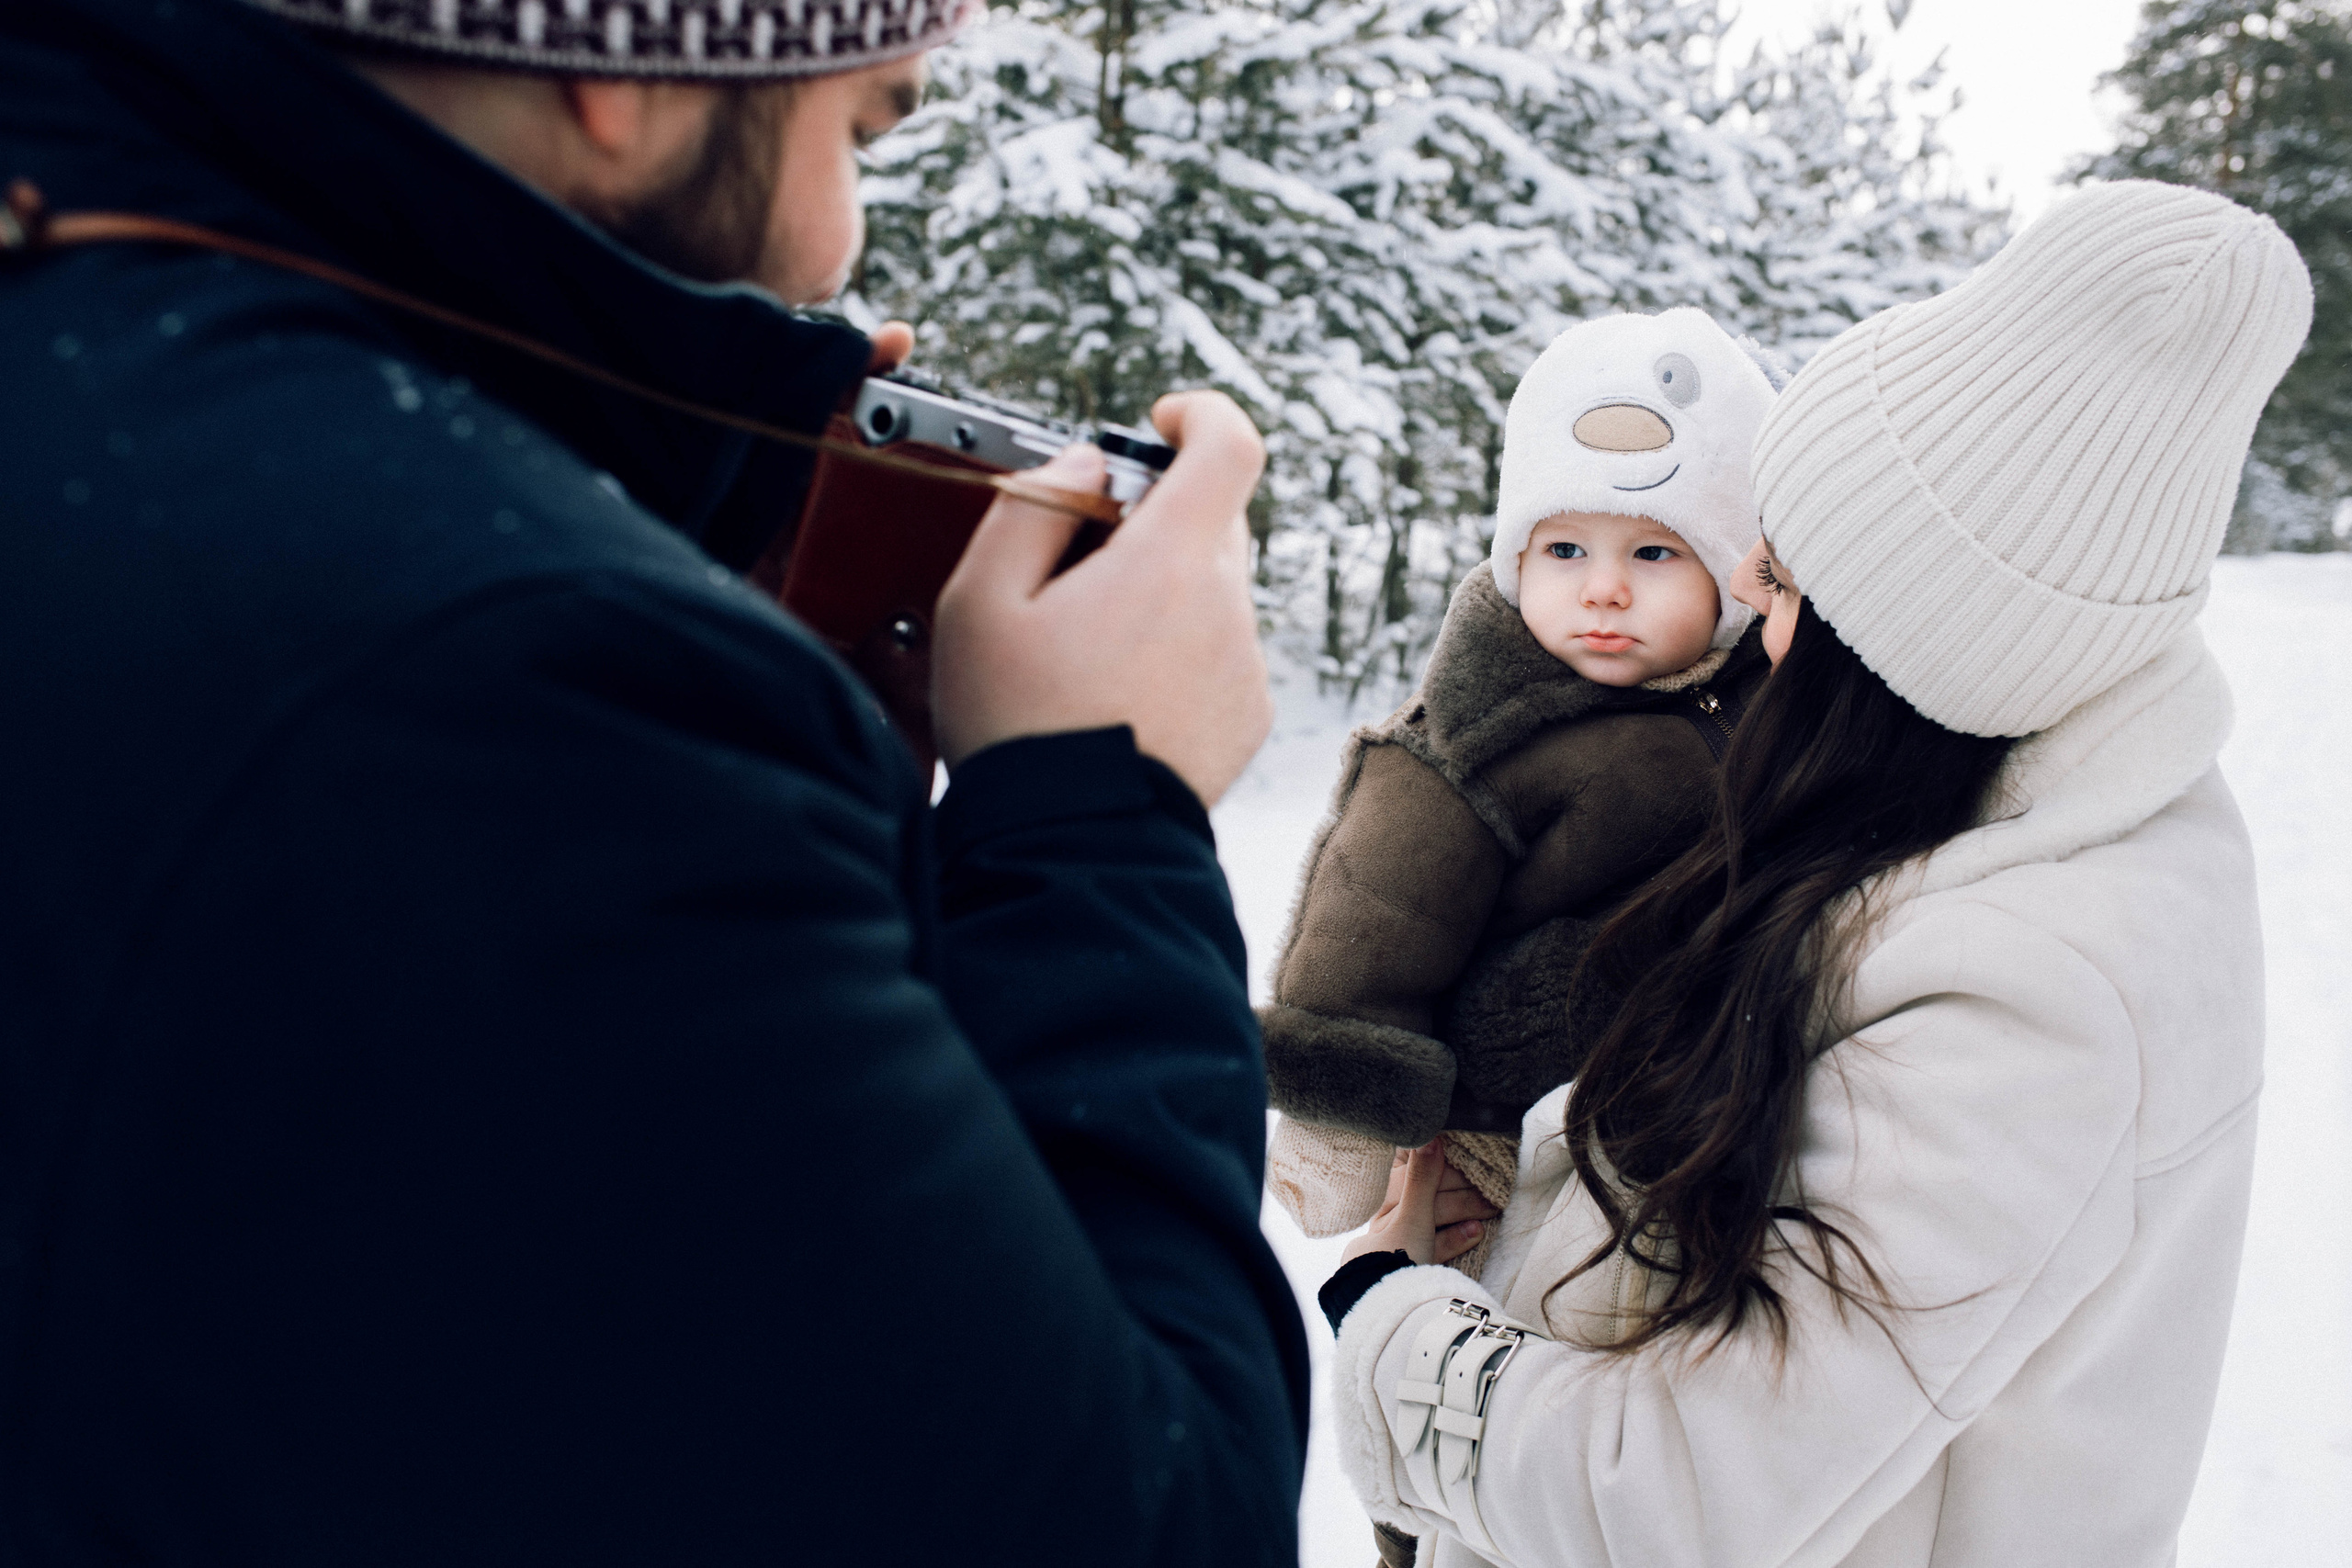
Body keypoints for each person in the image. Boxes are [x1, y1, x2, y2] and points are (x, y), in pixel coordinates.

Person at [0, 0, 1307, 1562]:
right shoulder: (522, 692)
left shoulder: (81, 324)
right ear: (621, 72)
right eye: (859, 131)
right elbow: (1145, 1522)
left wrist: (680, 545)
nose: (835, 253)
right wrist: (1099, 811)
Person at [1317, 179, 2304, 1567]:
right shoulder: (1964, 795)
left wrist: (1391, 1315)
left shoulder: (2031, 1005)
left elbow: (1679, 1495)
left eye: (1779, 583)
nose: (1741, 609)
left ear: (1896, 650)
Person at [1261, 310, 1782, 1281]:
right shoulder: (1475, 736)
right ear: (1515, 558)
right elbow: (1375, 911)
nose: (1603, 590)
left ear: (1736, 575)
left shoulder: (1767, 704)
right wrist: (1342, 1107)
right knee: (1514, 1320)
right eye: (1565, 551)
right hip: (1503, 1139)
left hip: (1703, 1123)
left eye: (1654, 554)